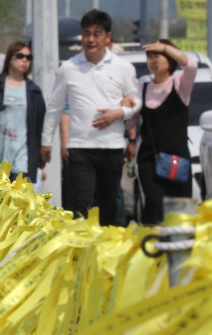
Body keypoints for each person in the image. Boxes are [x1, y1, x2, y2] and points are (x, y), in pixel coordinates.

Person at [40, 9, 141, 226]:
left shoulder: (123, 67)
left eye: (97, 34)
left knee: (110, 206)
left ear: (108, 37)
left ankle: (107, 255)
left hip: (112, 148)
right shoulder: (68, 68)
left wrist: (119, 113)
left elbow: (136, 100)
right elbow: (55, 107)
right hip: (79, 148)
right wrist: (46, 141)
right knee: (80, 206)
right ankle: (80, 254)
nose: (91, 39)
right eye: (86, 34)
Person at [126, 39, 197, 225]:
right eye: (150, 56)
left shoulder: (180, 84)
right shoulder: (141, 88)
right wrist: (126, 108)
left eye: (158, 56)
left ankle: (179, 251)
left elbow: (191, 65)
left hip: (177, 160)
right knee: (155, 204)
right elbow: (130, 123)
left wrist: (166, 47)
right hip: (150, 159)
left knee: (181, 212)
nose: (153, 60)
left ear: (171, 60)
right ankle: (151, 247)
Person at [0, 41, 46, 183]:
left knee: (18, 201)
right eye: (20, 56)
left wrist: (40, 159)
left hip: (23, 157)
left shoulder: (34, 91)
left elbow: (39, 126)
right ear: (9, 59)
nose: (25, 60)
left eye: (28, 57)